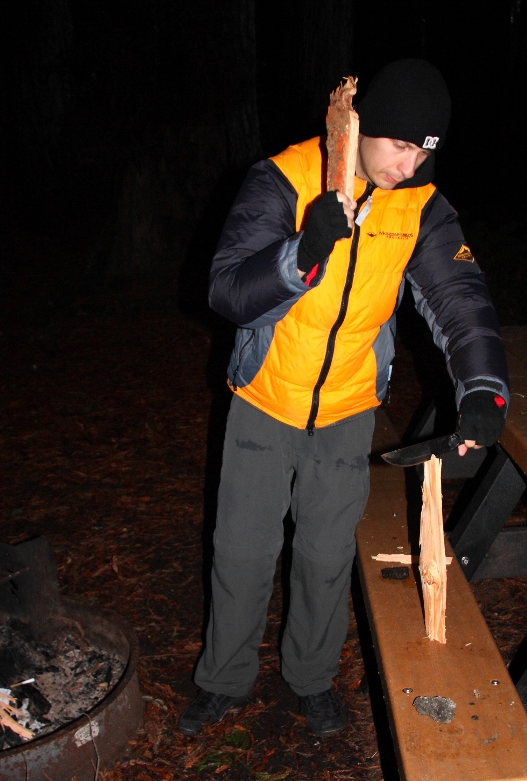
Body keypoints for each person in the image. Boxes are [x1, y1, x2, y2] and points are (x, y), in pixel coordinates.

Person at [178, 59, 509, 737]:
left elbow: (462, 306)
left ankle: (309, 679)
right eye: (398, 143)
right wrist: (300, 252)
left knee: (326, 555)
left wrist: (481, 392)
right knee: (241, 549)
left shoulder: (420, 205)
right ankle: (224, 680)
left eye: (423, 150)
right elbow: (225, 291)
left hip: (349, 408)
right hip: (265, 400)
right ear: (364, 128)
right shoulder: (283, 179)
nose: (408, 161)